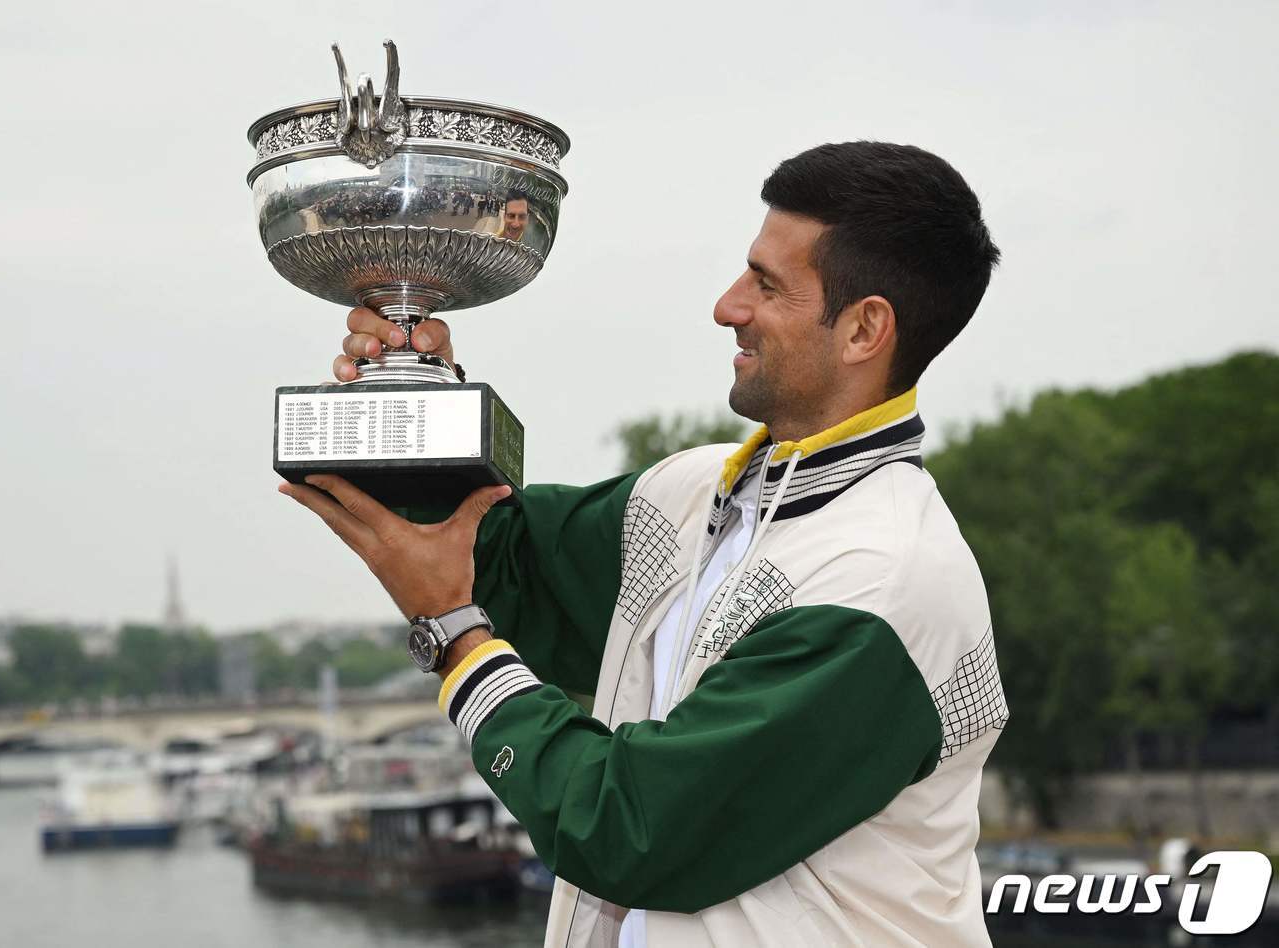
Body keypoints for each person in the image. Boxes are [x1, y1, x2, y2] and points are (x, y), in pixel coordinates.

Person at [281, 141, 1008, 947]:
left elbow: (631, 830)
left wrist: (456, 637)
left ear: (865, 329)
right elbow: (498, 560)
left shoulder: (883, 582)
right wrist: (414, 400)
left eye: (766, 285)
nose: (727, 306)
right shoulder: (694, 493)